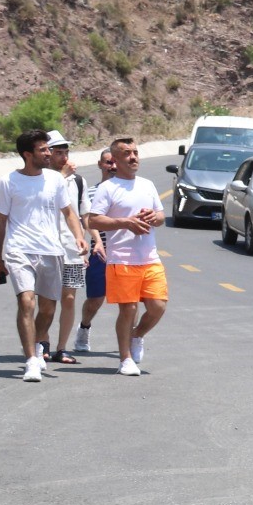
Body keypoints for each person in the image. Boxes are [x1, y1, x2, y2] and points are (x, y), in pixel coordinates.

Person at [0, 130, 90, 383]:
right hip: (19, 249)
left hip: (51, 250)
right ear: (27, 154)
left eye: (48, 149)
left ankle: (39, 342)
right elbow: (0, 222)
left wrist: (79, 236)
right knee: (27, 302)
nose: (48, 153)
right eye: (43, 149)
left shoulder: (55, 180)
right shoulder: (8, 182)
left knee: (47, 309)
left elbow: (68, 212)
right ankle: (32, 360)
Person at [85, 137, 166, 376]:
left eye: (135, 152)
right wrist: (125, 223)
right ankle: (125, 359)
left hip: (149, 256)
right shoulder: (107, 188)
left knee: (158, 306)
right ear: (116, 161)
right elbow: (93, 219)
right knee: (128, 309)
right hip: (121, 257)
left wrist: (153, 217)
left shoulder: (147, 184)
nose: (133, 157)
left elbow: (161, 216)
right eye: (127, 154)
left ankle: (136, 335)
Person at [40, 130, 100, 364]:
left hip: (72, 250)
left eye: (66, 152)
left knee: (70, 298)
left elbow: (84, 215)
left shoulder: (78, 181)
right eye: (58, 153)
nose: (63, 157)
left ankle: (61, 348)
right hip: (47, 248)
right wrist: (62, 176)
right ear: (48, 154)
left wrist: (93, 240)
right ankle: (42, 342)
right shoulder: (41, 179)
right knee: (46, 300)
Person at [74, 148, 116, 353]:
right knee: (95, 299)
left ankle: (132, 338)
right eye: (108, 162)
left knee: (130, 300)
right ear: (100, 165)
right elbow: (84, 221)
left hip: (125, 254)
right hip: (99, 253)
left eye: (115, 162)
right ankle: (84, 327)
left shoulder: (130, 191)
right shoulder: (90, 192)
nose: (112, 166)